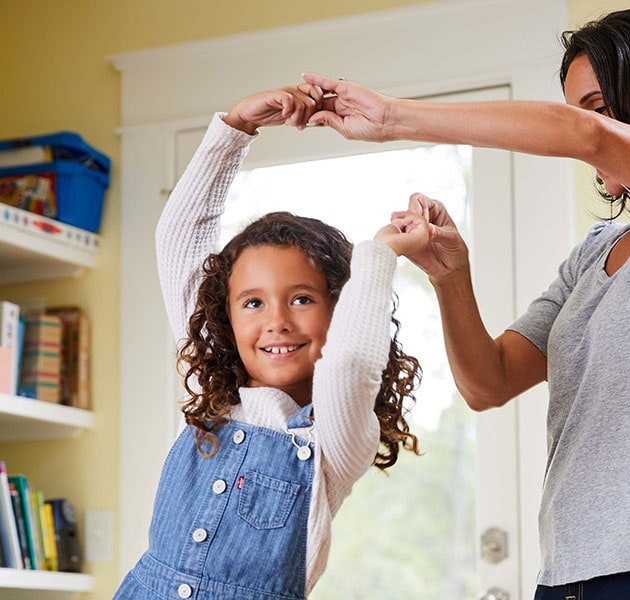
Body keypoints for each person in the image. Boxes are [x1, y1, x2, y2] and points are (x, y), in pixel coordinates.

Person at [302, 6, 630, 600]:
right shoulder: (596, 253)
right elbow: (490, 382)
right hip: (566, 575)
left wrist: (394, 118)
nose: (590, 131)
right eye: (581, 108)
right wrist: (451, 276)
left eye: (602, 105)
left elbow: (584, 138)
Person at [114, 83, 428, 599]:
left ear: (341, 308)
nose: (276, 321)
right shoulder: (215, 392)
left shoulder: (335, 438)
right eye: (253, 303)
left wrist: (380, 254)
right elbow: (178, 238)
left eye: (302, 299)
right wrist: (234, 129)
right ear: (226, 316)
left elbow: (349, 363)